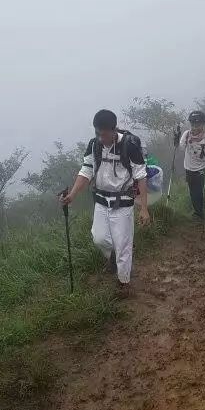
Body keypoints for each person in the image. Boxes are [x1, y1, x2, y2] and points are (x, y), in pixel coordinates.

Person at [60, 109, 150, 291]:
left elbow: (141, 176)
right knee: (99, 239)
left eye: (104, 134)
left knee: (123, 245)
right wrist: (72, 195)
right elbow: (86, 171)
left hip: (123, 202)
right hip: (101, 201)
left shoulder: (129, 145)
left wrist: (144, 208)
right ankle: (115, 256)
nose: (101, 138)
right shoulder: (94, 146)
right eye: (98, 133)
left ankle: (124, 282)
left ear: (113, 129)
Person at [176, 110, 205, 220]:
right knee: (192, 191)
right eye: (193, 124)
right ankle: (199, 211)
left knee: (198, 191)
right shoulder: (186, 134)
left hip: (201, 168)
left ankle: (199, 213)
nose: (195, 126)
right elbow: (181, 147)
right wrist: (176, 140)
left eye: (198, 124)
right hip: (188, 168)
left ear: (203, 124)